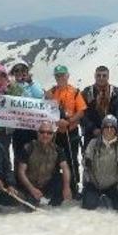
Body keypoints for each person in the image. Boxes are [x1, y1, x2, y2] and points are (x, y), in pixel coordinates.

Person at [47, 65, 86, 197]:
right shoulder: (50, 93)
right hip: (55, 132)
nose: (60, 78)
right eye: (57, 75)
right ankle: (56, 188)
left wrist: (68, 122)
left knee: (72, 160)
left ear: (67, 76)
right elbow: (44, 111)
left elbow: (81, 111)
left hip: (71, 131)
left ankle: (74, 187)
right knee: (54, 160)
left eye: (62, 75)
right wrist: (58, 122)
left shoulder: (75, 92)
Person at [16, 121, 73, 207]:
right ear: (37, 133)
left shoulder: (57, 149)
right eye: (42, 132)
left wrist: (66, 187)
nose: (45, 135)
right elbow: (21, 172)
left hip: (46, 183)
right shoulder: (28, 148)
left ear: (53, 135)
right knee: (30, 207)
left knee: (61, 178)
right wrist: (32, 189)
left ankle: (53, 204)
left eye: (49, 133)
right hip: (30, 185)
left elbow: (65, 168)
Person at [81, 115, 118, 212]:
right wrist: (87, 161)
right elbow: (86, 160)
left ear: (116, 130)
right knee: (88, 205)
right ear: (102, 129)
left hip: (113, 185)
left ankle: (109, 196)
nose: (109, 130)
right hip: (94, 183)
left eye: (112, 127)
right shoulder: (93, 143)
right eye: (106, 127)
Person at [81, 65, 118, 149]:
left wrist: (112, 129)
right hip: (92, 134)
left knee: (111, 160)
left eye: (104, 75)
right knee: (90, 160)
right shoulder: (87, 92)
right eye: (98, 75)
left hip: (111, 133)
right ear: (95, 76)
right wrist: (93, 128)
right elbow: (82, 114)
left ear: (108, 76)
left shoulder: (115, 92)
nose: (101, 78)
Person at [10, 61, 45, 159]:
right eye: (17, 71)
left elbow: (39, 96)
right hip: (17, 127)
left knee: (33, 154)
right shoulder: (11, 86)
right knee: (19, 154)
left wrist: (30, 82)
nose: (20, 73)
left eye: (23, 71)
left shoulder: (34, 84)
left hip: (33, 126)